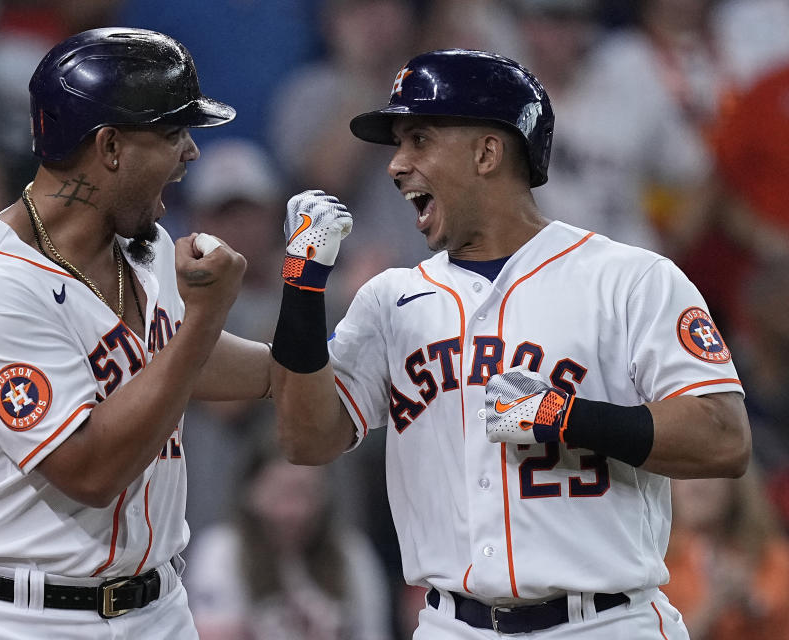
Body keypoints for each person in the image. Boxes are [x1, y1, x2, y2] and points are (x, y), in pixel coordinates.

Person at [269, 49, 751, 638]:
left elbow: (725, 439)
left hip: (605, 621)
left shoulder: (629, 278)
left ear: (488, 152)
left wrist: (566, 417)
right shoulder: (388, 299)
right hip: (453, 624)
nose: (396, 164)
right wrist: (301, 286)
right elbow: (305, 438)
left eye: (418, 138)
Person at [0, 28, 271, 640]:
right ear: (109, 147)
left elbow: (178, 361)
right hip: (9, 615)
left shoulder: (141, 243)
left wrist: (334, 366)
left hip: (156, 609)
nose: (191, 154)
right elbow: (90, 469)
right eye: (172, 134)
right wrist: (208, 316)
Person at [185, 441, 392, 640]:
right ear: (251, 493)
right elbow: (213, 634)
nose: (295, 511)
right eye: (282, 493)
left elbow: (373, 633)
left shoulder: (351, 552)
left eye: (307, 493)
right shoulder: (221, 550)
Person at [663, 467, 789, 639]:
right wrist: (713, 606)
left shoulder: (772, 556)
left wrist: (750, 603)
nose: (695, 485)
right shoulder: (661, 564)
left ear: (736, 484)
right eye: (684, 475)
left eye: (708, 473)